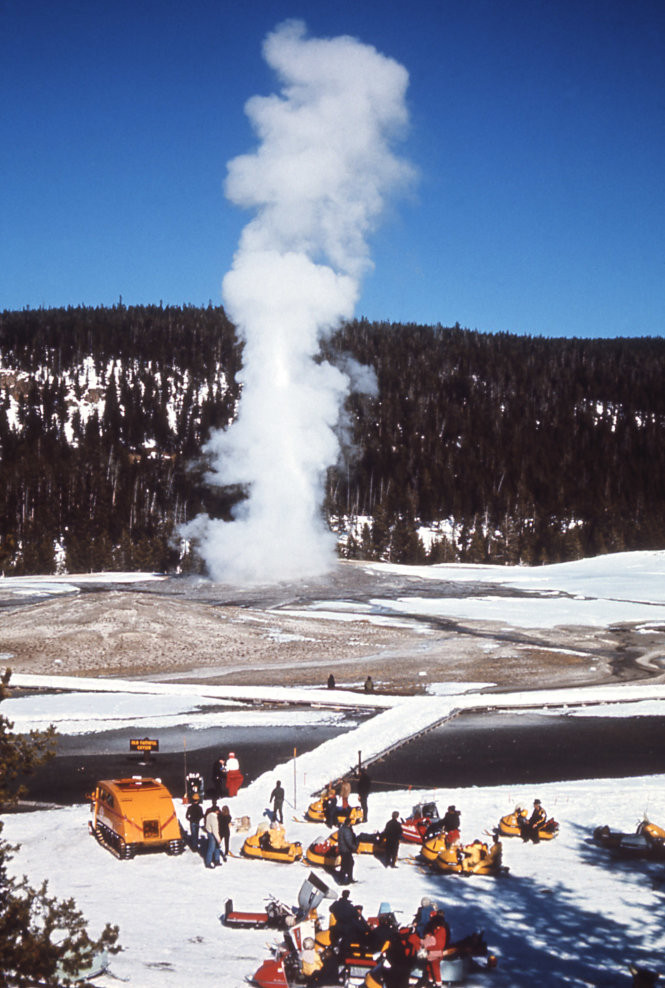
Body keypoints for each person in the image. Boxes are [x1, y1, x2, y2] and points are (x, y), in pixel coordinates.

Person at [422, 908, 451, 988]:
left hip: (436, 951)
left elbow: (437, 943)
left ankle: (438, 983)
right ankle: (431, 980)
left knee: (435, 966)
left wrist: (426, 945)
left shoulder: (439, 929)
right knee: (430, 966)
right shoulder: (440, 928)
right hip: (435, 950)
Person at [337, 816, 358, 884]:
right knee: (347, 864)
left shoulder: (341, 828)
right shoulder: (347, 830)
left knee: (348, 863)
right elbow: (348, 841)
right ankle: (343, 880)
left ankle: (347, 878)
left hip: (342, 849)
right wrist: (354, 847)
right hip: (346, 850)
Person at [203, 800, 222, 868]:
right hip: (213, 834)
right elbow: (215, 830)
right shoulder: (214, 818)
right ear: (216, 811)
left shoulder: (208, 815)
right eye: (218, 810)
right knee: (211, 848)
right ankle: (208, 862)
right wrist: (218, 838)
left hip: (209, 832)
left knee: (216, 847)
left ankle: (217, 860)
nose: (219, 812)